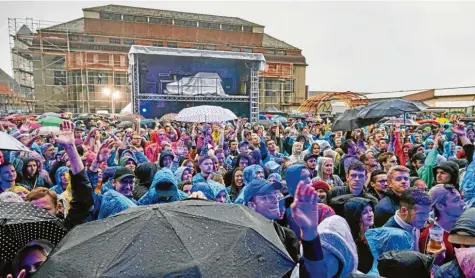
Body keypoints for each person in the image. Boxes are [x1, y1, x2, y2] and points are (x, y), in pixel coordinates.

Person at [419, 184, 465, 265]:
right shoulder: (432, 236)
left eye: (460, 199)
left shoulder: (463, 226)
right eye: (456, 200)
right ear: (440, 206)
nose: (463, 204)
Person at [344, 197, 375, 274]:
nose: (370, 215)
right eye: (364, 212)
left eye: (371, 210)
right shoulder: (351, 239)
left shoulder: (375, 230)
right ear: (355, 216)